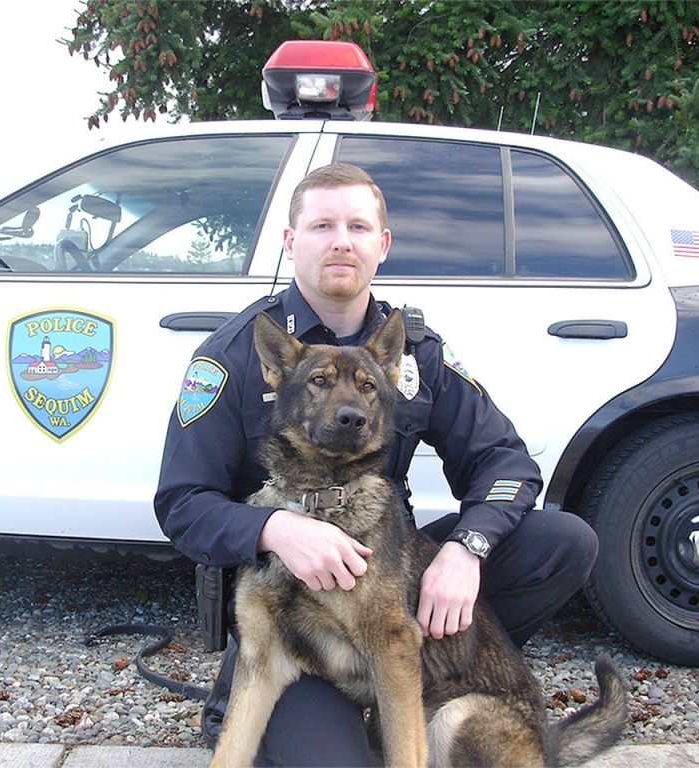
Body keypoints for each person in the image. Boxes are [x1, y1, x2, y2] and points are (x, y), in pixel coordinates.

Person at [154, 163, 598, 766]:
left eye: (358, 226)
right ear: (290, 242)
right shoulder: (236, 354)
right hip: (289, 611)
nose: (342, 240)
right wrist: (274, 530)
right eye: (322, 225)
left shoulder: (412, 352)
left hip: (386, 571)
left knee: (560, 540)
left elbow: (506, 463)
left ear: (381, 245)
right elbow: (182, 504)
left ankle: (433, 676)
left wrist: (466, 550)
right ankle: (270, 706)